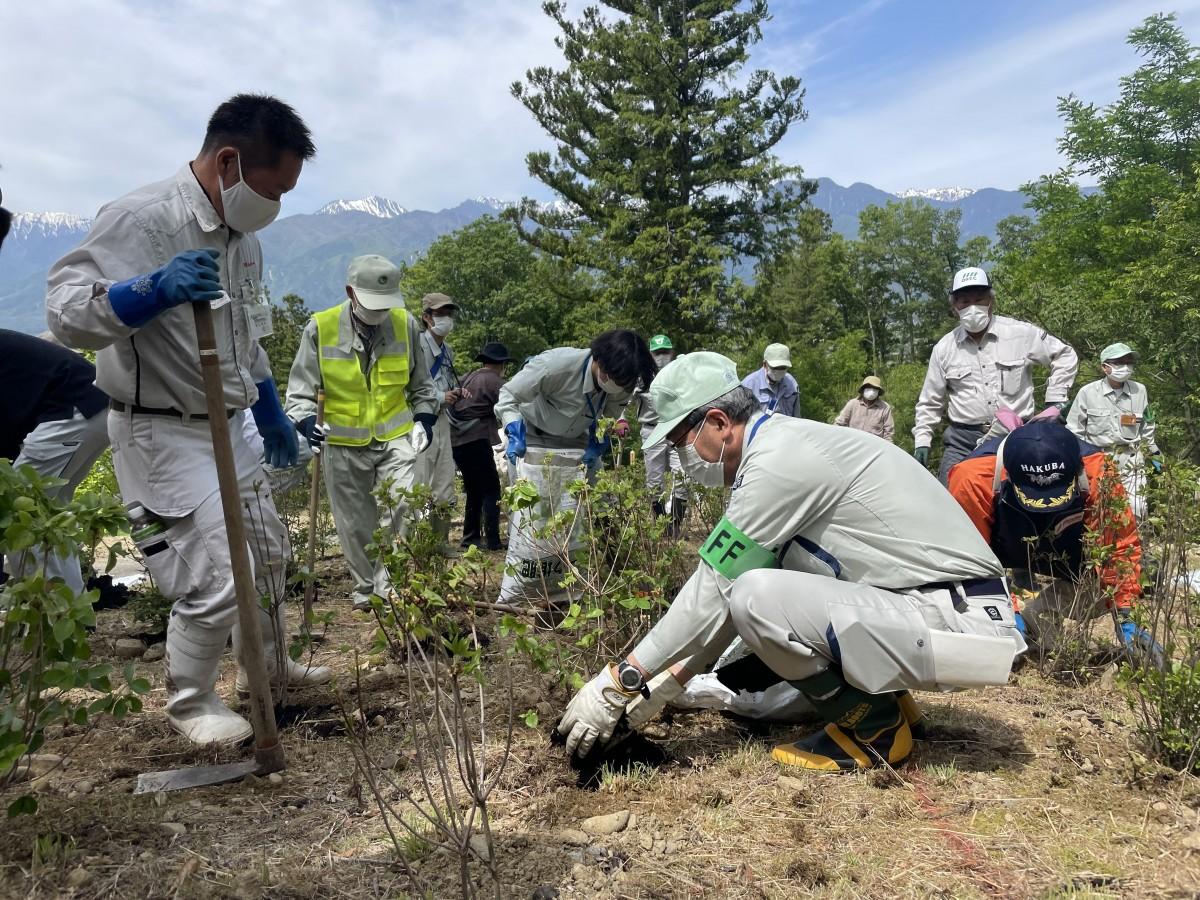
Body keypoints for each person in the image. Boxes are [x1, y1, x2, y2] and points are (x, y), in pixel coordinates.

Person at [557, 352, 1024, 771]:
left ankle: (874, 728)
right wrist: (664, 687)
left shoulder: (778, 463)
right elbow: (719, 612)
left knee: (757, 595)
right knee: (764, 588)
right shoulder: (784, 445)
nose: (681, 455)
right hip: (947, 610)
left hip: (962, 623)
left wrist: (619, 681)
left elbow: (717, 591)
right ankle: (893, 703)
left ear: (718, 422)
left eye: (682, 439)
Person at [45, 94, 330, 746]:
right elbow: (65, 311)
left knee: (268, 554)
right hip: (160, 427)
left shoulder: (244, 239)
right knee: (218, 572)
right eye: (273, 189)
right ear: (228, 161)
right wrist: (148, 291)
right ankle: (192, 701)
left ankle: (268, 668)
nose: (276, 205)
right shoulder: (141, 220)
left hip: (228, 425)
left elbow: (246, 337)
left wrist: (271, 411)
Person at [285, 255, 438, 610]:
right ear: (350, 293)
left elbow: (422, 386)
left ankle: (392, 585)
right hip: (341, 439)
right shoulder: (319, 328)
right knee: (355, 522)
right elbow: (299, 393)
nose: (380, 313)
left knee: (404, 504)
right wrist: (307, 422)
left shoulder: (405, 324)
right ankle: (367, 589)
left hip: (395, 434)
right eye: (372, 305)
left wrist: (425, 420)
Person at [946, 419, 1158, 664]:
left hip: (1072, 553)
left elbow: (1120, 548)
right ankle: (1021, 623)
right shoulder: (973, 477)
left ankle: (1037, 616)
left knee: (1129, 577)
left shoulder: (1098, 471)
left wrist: (1127, 616)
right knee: (997, 649)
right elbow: (970, 561)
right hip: (1008, 545)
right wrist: (1003, 613)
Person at [495, 330, 656, 604]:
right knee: (533, 516)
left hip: (577, 445)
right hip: (534, 439)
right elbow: (508, 395)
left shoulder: (622, 382)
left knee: (586, 511)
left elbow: (609, 415)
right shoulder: (556, 365)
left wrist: (599, 441)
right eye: (618, 380)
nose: (621, 387)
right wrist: (512, 426)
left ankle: (573, 584)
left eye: (626, 383)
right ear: (600, 365)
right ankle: (523, 590)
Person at [913, 267, 1078, 484]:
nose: (972, 307)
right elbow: (930, 401)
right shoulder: (944, 348)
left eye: (979, 299)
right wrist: (922, 440)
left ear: (991, 301)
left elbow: (1064, 355)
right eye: (964, 301)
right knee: (950, 500)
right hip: (963, 442)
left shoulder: (1020, 333)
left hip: (1017, 436)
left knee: (1030, 496)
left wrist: (1056, 399)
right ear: (954, 307)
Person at [1, 330, 110, 593]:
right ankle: (71, 615)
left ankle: (50, 620)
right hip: (91, 405)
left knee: (21, 516)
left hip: (74, 408)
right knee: (46, 516)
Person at [1066, 343, 1159, 520]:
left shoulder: (1139, 391)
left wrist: (1155, 454)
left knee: (1137, 507)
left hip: (1132, 459)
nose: (1125, 367)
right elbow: (1074, 431)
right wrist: (1079, 461)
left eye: (1128, 362)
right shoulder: (1088, 392)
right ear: (1104, 367)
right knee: (1100, 508)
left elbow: (1147, 426)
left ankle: (1136, 546)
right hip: (1098, 458)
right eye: (1118, 362)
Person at [616, 334, 689, 535]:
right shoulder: (641, 375)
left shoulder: (680, 373)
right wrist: (621, 419)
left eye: (665, 352)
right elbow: (622, 400)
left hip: (677, 429)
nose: (662, 356)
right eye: (658, 352)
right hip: (652, 430)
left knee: (683, 476)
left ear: (672, 352)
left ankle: (675, 524)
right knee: (654, 481)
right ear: (650, 353)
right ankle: (660, 524)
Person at [450, 341, 514, 551]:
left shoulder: (467, 377)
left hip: (456, 440)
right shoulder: (495, 381)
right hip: (476, 439)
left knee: (473, 490)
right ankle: (493, 541)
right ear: (502, 364)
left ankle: (470, 538)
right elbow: (510, 404)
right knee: (491, 489)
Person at [413, 292, 465, 546]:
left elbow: (445, 384)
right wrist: (439, 396)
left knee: (445, 481)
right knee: (420, 481)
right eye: (440, 313)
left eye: (449, 313)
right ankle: (417, 544)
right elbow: (411, 387)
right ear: (426, 318)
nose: (446, 319)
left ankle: (440, 542)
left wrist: (455, 392)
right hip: (421, 421)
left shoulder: (448, 350)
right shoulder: (416, 346)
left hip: (443, 419)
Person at [740, 343, 800, 417]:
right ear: (765, 364)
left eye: (783, 367)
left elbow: (796, 417)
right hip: (761, 428)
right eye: (775, 367)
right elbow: (741, 421)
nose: (779, 370)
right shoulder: (748, 385)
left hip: (786, 427)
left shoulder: (792, 384)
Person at [834, 375, 894, 442]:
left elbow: (888, 433)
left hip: (873, 446)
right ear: (863, 389)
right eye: (868, 387)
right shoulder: (853, 404)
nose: (871, 391)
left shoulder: (885, 408)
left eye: (874, 388)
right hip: (852, 442)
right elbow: (839, 423)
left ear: (878, 391)